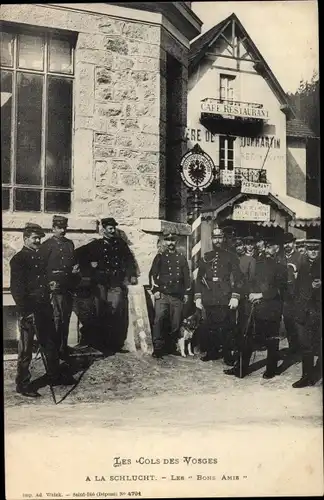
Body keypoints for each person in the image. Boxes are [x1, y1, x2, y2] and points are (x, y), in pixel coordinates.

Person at [10, 223, 76, 398]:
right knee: (25, 349)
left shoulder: (39, 257)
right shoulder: (19, 259)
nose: (38, 241)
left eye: (40, 238)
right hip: (28, 311)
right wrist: (26, 311)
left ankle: (54, 376)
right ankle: (23, 384)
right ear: (25, 239)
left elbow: (42, 280)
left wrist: (50, 285)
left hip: (44, 308)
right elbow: (17, 289)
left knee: (49, 343)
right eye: (34, 238)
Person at [225, 234, 287, 378]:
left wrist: (261, 295)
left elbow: (280, 290)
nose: (268, 249)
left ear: (277, 249)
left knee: (271, 339)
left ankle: (271, 369)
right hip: (254, 305)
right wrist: (250, 294)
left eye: (272, 247)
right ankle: (240, 369)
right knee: (246, 337)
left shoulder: (281, 267)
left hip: (272, 307)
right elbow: (249, 281)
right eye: (267, 246)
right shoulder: (257, 263)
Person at [75, 218, 138, 353]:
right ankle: (99, 344)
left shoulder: (120, 244)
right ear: (103, 230)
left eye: (114, 228)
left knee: (114, 311)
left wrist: (131, 274)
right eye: (110, 228)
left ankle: (113, 344)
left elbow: (129, 260)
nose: (112, 230)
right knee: (100, 311)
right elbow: (78, 255)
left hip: (115, 282)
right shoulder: (95, 245)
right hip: (100, 283)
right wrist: (89, 270)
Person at [194, 227, 242, 363]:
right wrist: (198, 296)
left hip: (224, 296)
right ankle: (212, 352)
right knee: (210, 326)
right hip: (209, 296)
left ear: (223, 239)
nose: (217, 240)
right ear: (212, 239)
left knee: (226, 327)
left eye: (220, 238)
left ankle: (227, 355)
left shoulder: (231, 257)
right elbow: (199, 278)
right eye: (215, 238)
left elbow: (238, 278)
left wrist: (235, 296)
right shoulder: (206, 257)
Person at [38, 215, 80, 360]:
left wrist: (75, 271)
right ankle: (54, 351)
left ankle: (63, 348)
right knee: (56, 319)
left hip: (67, 287)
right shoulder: (46, 245)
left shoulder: (69, 244)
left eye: (64, 228)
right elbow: (41, 268)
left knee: (65, 319)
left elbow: (73, 263)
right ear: (53, 228)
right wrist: (48, 284)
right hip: (54, 289)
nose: (62, 231)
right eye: (59, 228)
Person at [149, 231, 191, 358]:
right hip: (163, 294)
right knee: (159, 319)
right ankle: (158, 347)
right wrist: (155, 291)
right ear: (164, 242)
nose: (170, 243)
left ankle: (173, 346)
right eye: (168, 240)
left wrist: (187, 292)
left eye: (173, 240)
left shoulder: (181, 258)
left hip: (177, 295)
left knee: (176, 323)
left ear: (176, 242)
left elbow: (187, 277)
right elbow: (152, 275)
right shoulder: (160, 257)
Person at [292, 239, 321, 388]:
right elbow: (297, 290)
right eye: (310, 249)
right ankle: (306, 376)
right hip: (302, 312)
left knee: (317, 345)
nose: (313, 252)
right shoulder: (302, 267)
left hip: (316, 312)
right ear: (306, 251)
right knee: (306, 345)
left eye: (316, 249)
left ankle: (313, 375)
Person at [281, 232, 303, 355]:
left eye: (289, 243)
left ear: (293, 243)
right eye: (285, 243)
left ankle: (301, 348)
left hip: (297, 294)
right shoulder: (280, 258)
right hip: (285, 295)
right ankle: (293, 347)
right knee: (288, 321)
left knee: (298, 322)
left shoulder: (300, 257)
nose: (287, 245)